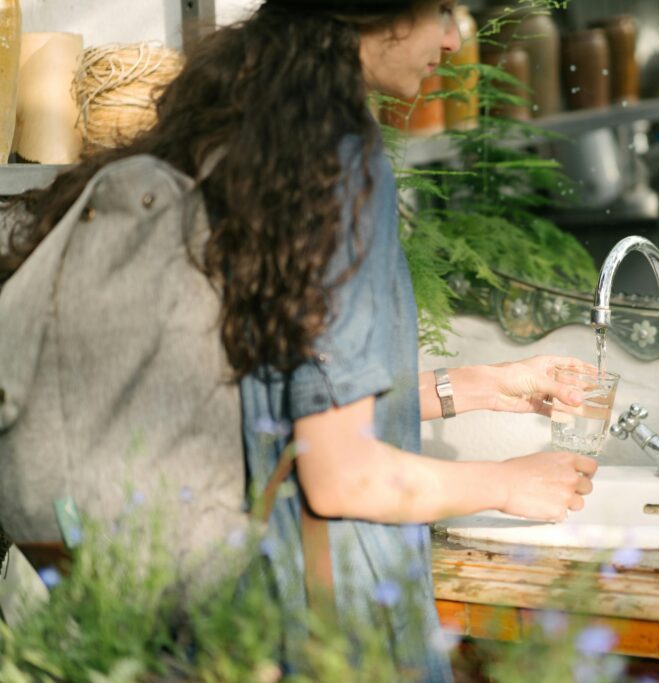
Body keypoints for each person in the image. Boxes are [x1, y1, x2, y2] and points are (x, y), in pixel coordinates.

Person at [0, 1, 599, 679]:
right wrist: (507, 483)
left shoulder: (246, 136)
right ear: (375, 12)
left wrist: (481, 385)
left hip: (221, 626)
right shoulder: (342, 160)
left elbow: (274, 398)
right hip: (322, 624)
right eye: (438, 9)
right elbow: (343, 475)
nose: (453, 34)